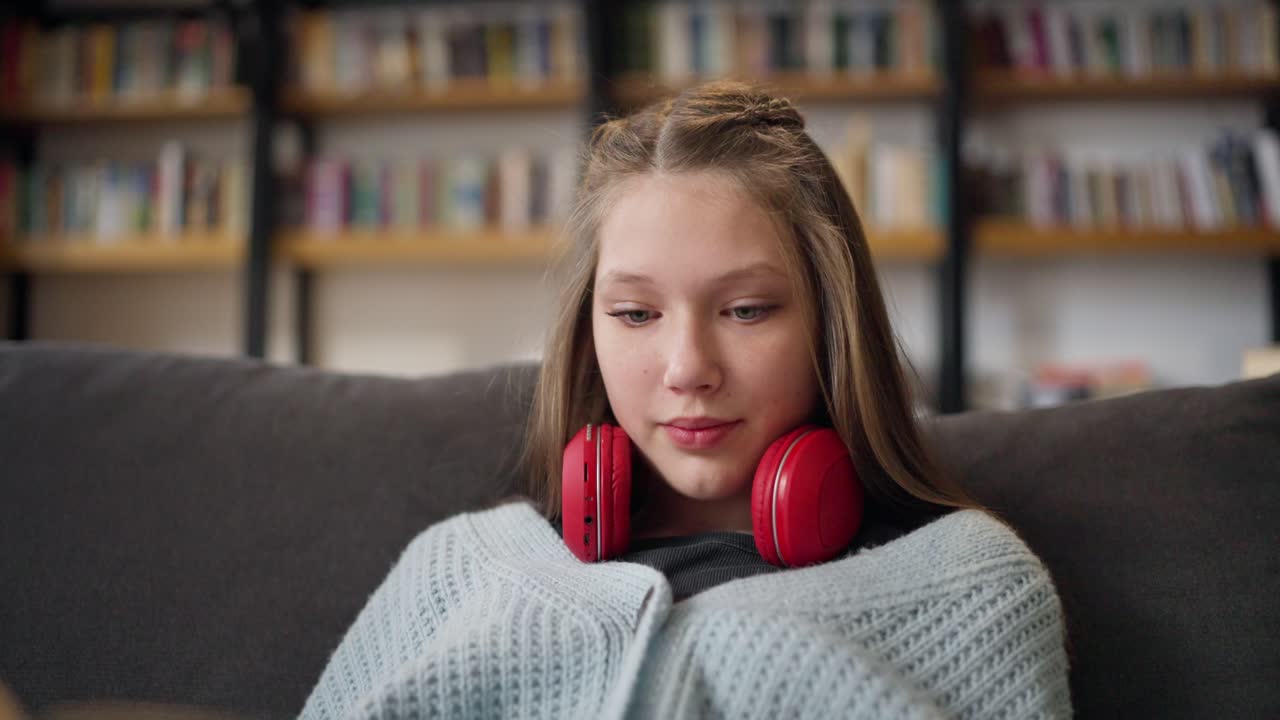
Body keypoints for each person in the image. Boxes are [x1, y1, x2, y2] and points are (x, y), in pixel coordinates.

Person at [300, 81, 1072, 719]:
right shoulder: (462, 566)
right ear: (587, 331)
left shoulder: (972, 585)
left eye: (746, 310)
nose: (687, 369)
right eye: (636, 314)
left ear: (832, 325)